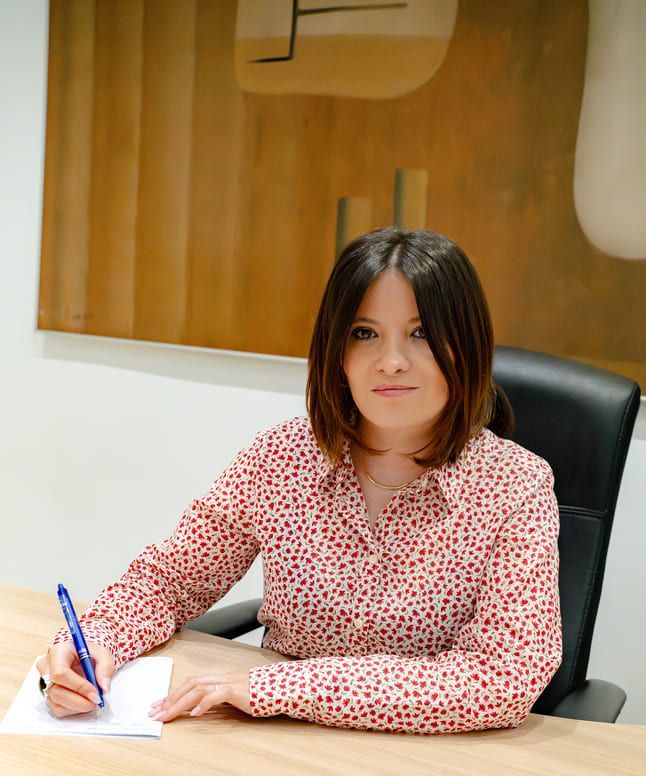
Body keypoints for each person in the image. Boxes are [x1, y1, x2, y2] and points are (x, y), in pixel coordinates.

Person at [38, 227, 562, 735]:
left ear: (467, 347)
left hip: (426, 769)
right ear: (338, 353)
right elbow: (170, 580)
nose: (392, 361)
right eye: (365, 334)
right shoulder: (283, 458)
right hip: (277, 748)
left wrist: (280, 687)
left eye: (421, 333)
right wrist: (94, 641)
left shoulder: (516, 487)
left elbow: (504, 675)